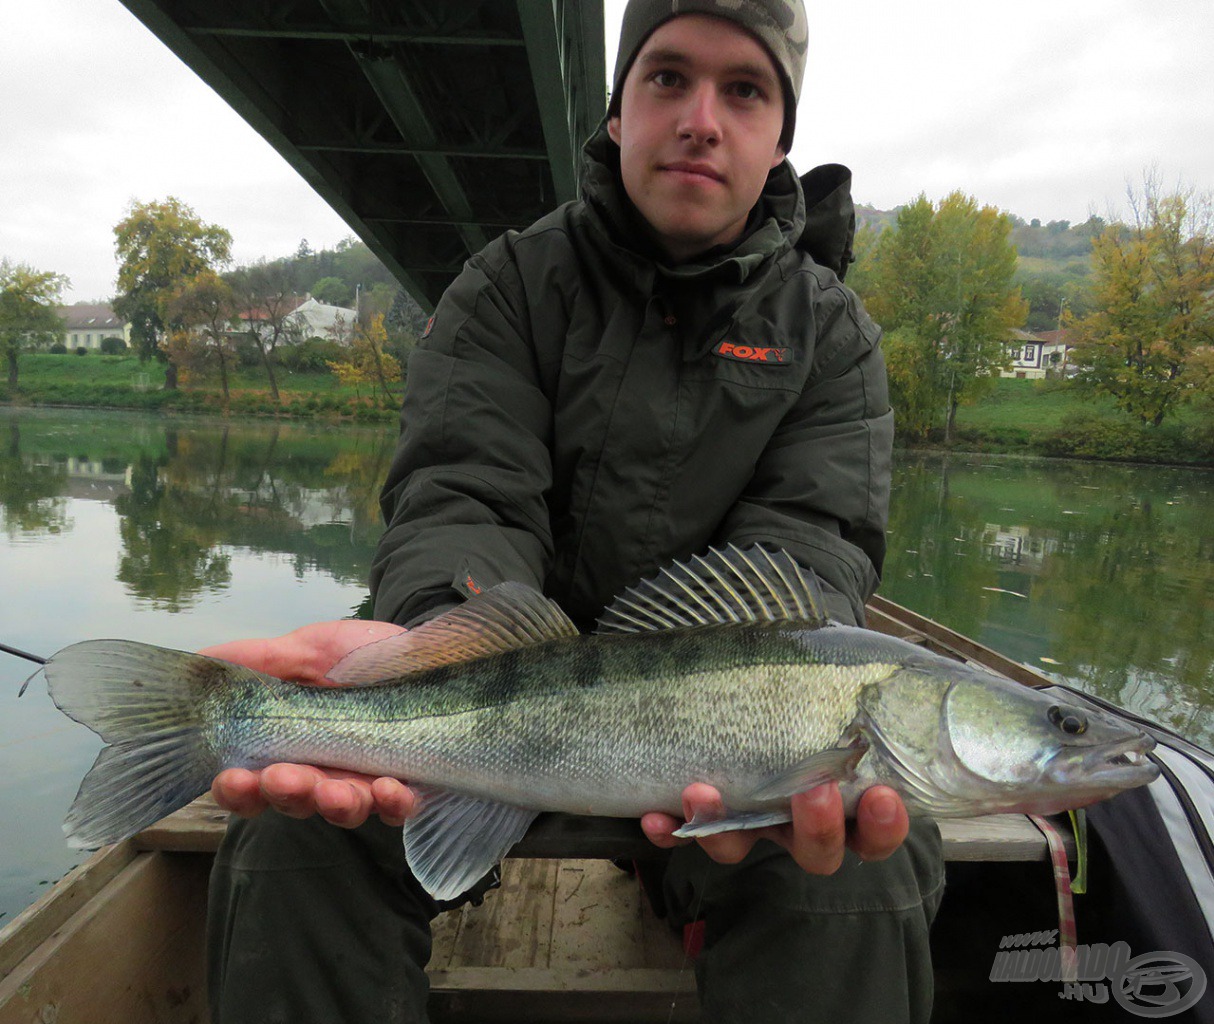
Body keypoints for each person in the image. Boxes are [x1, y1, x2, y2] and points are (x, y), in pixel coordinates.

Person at [203, 1, 945, 1021]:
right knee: (292, 831)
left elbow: (809, 563)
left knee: (858, 860)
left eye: (743, 90)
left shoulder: (831, 339)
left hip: (726, 766)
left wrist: (773, 739)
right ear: (615, 110)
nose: (699, 117)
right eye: (666, 77)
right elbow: (459, 496)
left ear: (779, 136)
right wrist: (432, 633)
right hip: (485, 721)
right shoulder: (504, 287)